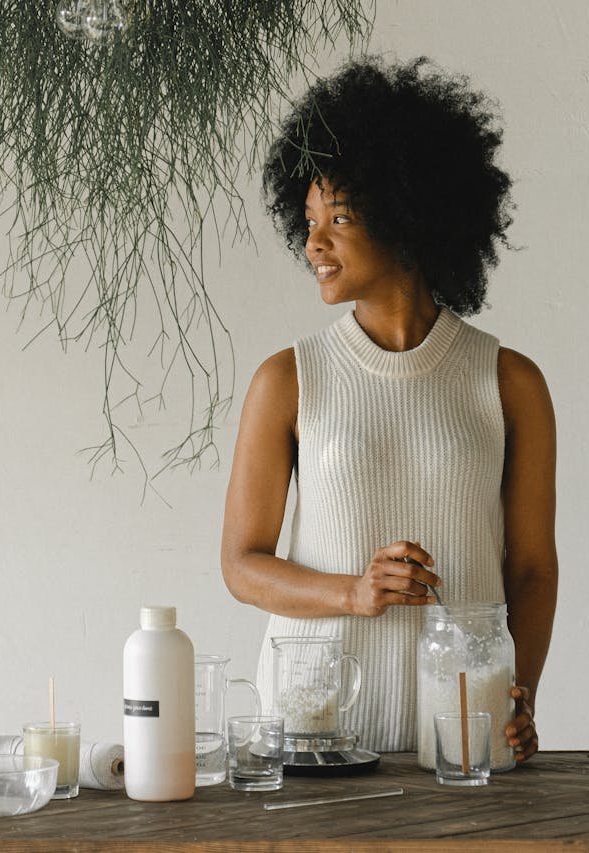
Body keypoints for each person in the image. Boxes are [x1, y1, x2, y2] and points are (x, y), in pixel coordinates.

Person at [220, 56, 557, 763]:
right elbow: (241, 564)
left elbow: (530, 570)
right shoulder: (288, 379)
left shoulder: (509, 382)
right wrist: (355, 592)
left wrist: (516, 691)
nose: (314, 241)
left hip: (462, 744)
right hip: (312, 739)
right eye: (309, 218)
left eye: (339, 217)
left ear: (409, 214)